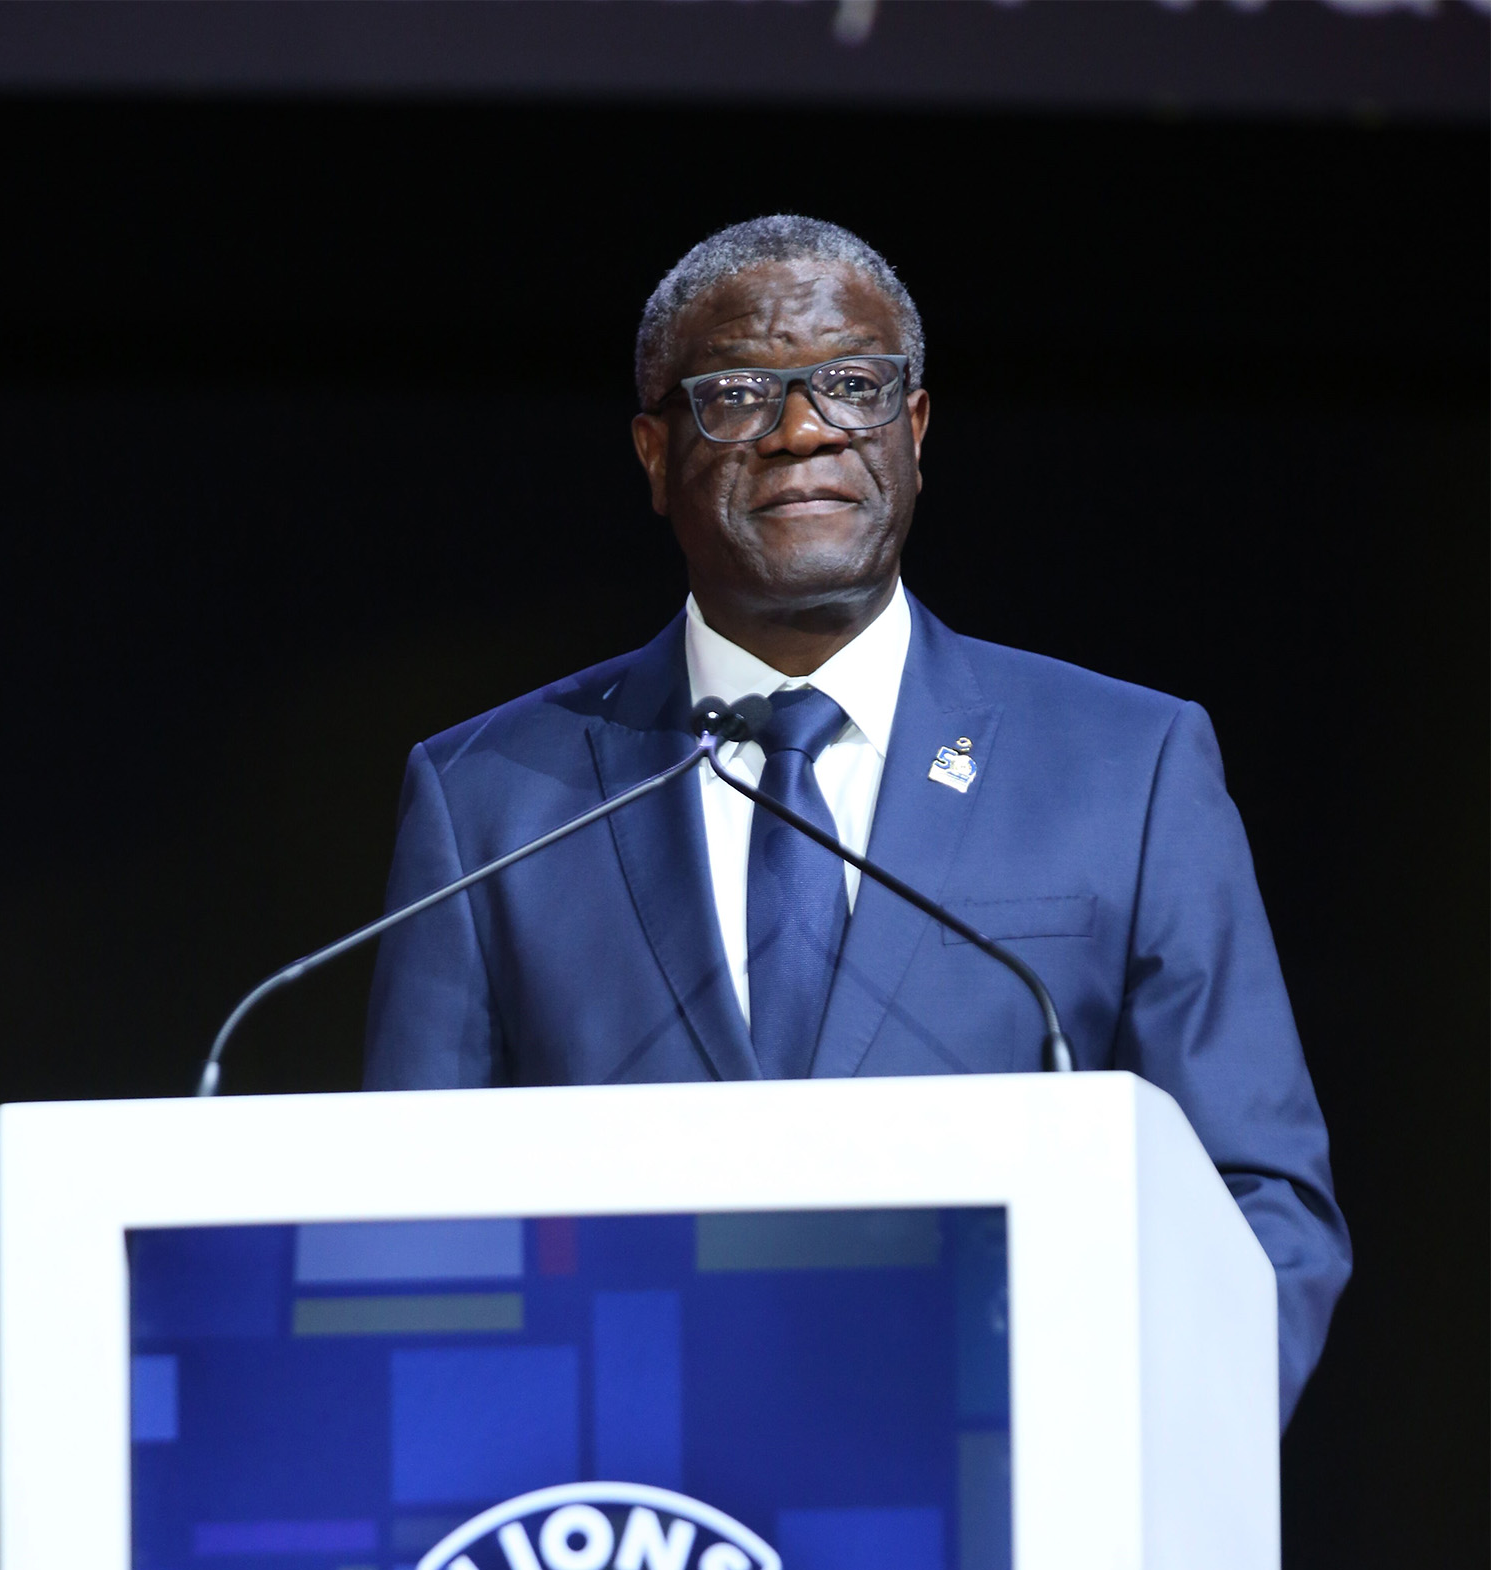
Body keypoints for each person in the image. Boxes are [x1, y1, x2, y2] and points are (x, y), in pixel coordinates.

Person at [364, 214, 1350, 1423]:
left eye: (852, 385)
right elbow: (402, 1227)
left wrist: (1141, 1468)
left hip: (1016, 1518)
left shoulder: (1127, 766)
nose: (803, 431)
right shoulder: (492, 799)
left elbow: (1258, 1203)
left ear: (914, 431)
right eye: (735, 396)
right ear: (653, 453)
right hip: (625, 1531)